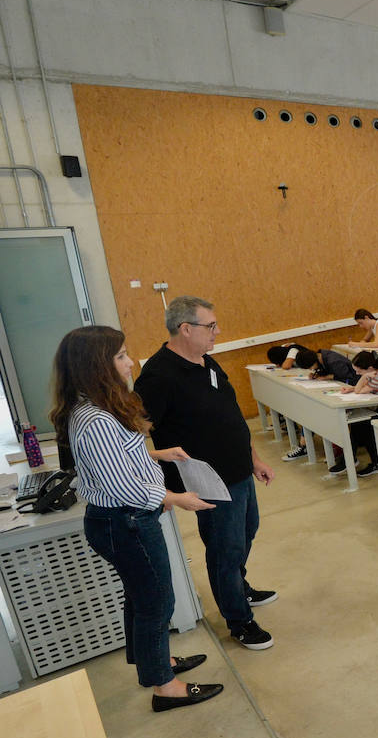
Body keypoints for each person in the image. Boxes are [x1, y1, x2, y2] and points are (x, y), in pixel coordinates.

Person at [54, 326, 222, 711]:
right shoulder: (94, 420)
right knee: (156, 601)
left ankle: (155, 663)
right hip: (125, 521)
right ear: (95, 365)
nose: (131, 363)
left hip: (124, 520)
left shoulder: (99, 407)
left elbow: (120, 463)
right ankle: (165, 687)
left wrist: (158, 456)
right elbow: (123, 486)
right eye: (120, 356)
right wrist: (176, 497)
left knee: (143, 595)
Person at [134, 296, 276, 650]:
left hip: (239, 469)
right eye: (210, 326)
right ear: (185, 329)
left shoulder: (206, 361)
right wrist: (157, 484)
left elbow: (230, 415)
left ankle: (237, 587)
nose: (218, 331)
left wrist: (254, 458)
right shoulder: (158, 375)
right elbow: (136, 431)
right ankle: (238, 620)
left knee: (246, 533)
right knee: (223, 549)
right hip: (206, 481)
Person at [332, 351, 378, 477]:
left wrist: (363, 378)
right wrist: (352, 387)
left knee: (361, 423)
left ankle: (357, 460)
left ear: (370, 368)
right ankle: (351, 459)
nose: (357, 374)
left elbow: (359, 390)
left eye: (360, 371)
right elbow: (364, 389)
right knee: (359, 422)